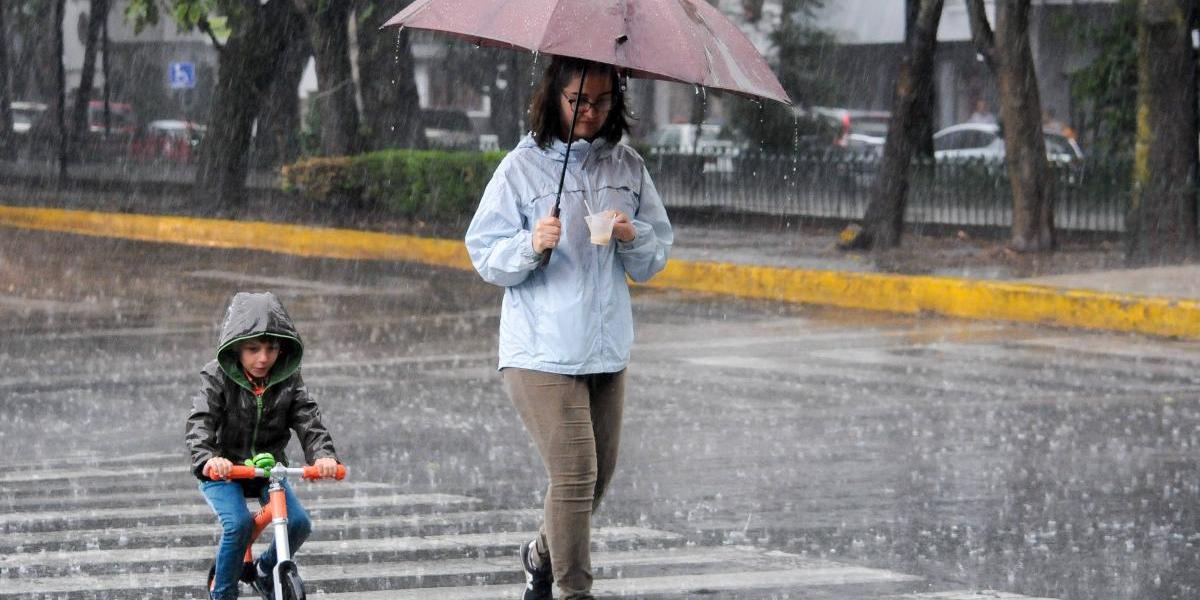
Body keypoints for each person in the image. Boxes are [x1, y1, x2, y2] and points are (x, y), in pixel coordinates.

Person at [465, 56, 673, 600]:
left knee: (595, 480)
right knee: (577, 476)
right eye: (578, 101)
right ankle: (573, 589)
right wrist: (531, 245)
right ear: (554, 97)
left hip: (606, 350)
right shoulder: (521, 168)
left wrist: (633, 237)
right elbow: (485, 254)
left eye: (602, 102)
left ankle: (539, 554)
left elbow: (653, 260)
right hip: (540, 352)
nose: (589, 112)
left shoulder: (627, 168)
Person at [185, 291, 339, 600]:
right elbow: (200, 421)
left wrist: (323, 456)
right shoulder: (216, 376)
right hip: (224, 470)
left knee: (298, 522)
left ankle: (266, 570)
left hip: (269, 468)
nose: (263, 358)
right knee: (238, 524)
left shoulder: (288, 379)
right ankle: (224, 591)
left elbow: (308, 419)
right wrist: (209, 459)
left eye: (271, 349)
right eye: (253, 349)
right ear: (236, 348)